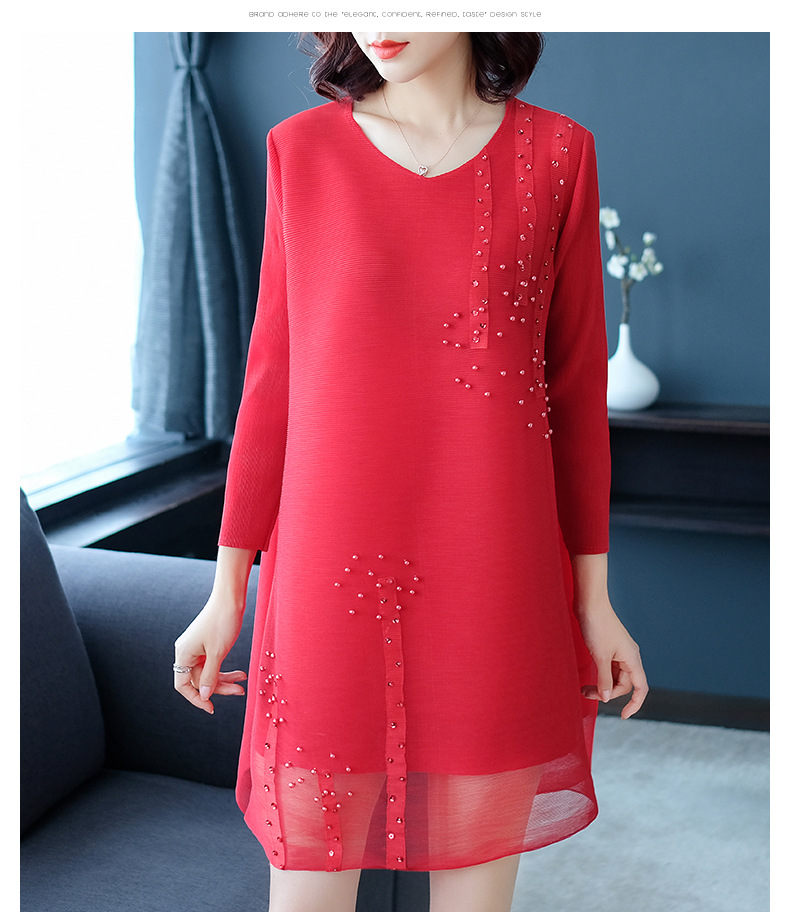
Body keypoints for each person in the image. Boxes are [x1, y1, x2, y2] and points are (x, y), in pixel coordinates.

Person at [173, 32, 648, 912]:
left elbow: (577, 396)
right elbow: (272, 382)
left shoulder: (559, 154)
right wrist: (227, 590)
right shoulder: (300, 151)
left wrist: (595, 601)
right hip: (325, 578)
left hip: (492, 577)